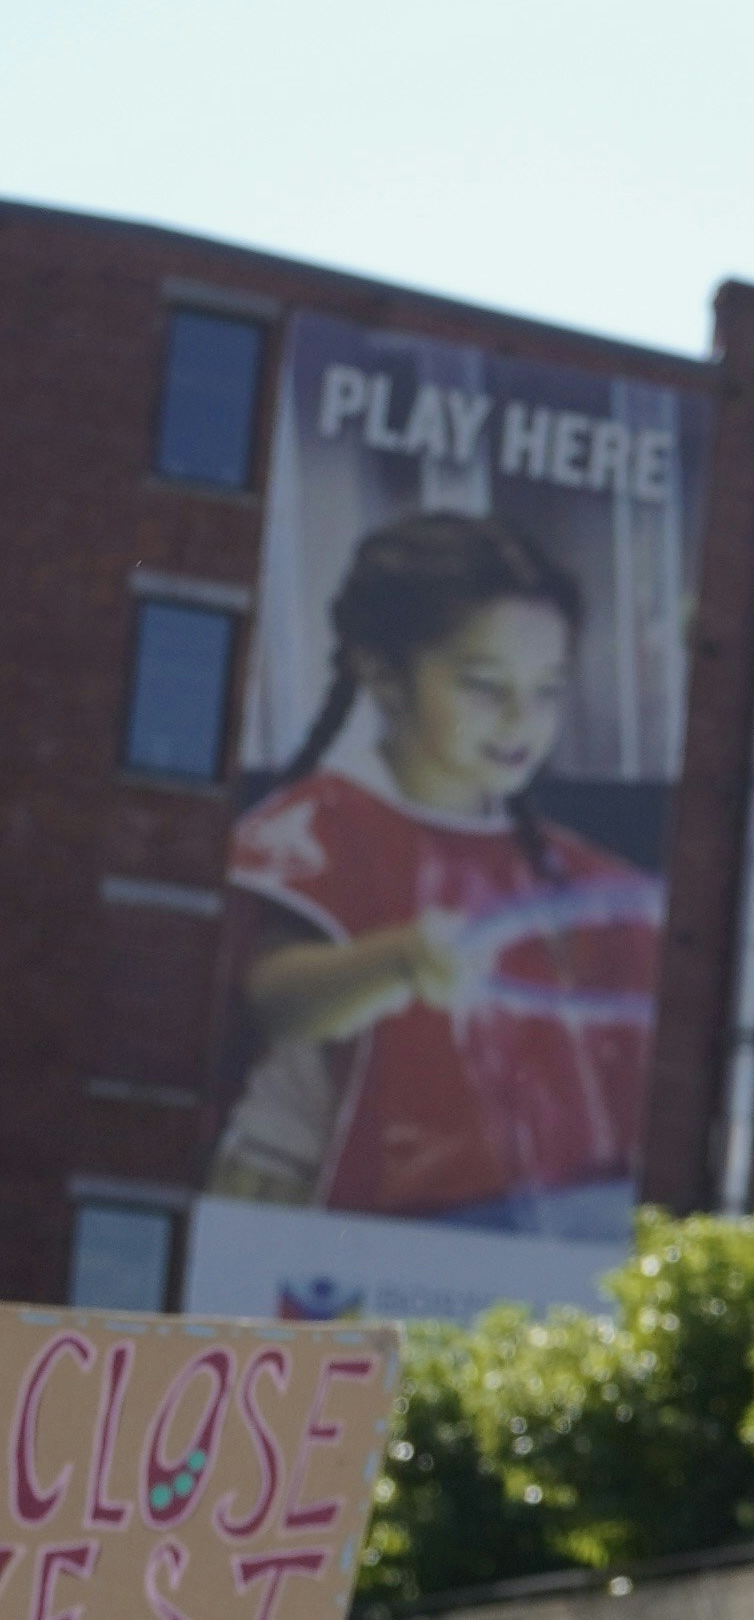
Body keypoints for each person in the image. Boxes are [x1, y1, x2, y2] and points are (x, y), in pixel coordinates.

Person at [210, 511, 669, 1234]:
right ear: (382, 672)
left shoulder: (581, 879)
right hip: (310, 1225)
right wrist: (398, 963)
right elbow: (272, 996)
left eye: (547, 689)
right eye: (486, 686)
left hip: (507, 1246)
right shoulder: (310, 830)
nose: (523, 718)